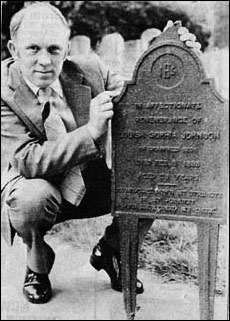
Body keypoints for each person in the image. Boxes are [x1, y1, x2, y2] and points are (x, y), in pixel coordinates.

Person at [1, 3, 201, 304]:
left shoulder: (90, 70)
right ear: (13, 49)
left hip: (89, 179)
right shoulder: (3, 92)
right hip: (38, 187)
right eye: (33, 49)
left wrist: (174, 55)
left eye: (54, 50)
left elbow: (143, 98)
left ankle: (113, 249)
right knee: (30, 199)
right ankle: (37, 263)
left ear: (67, 48)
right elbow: (28, 160)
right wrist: (91, 131)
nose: (44, 61)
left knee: (155, 177)